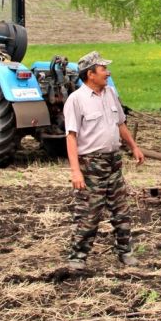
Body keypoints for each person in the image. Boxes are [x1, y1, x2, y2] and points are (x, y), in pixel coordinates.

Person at [63, 51, 145, 271]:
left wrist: (134, 147)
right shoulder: (76, 100)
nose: (107, 73)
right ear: (90, 74)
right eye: (103, 70)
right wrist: (75, 171)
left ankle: (125, 252)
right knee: (90, 212)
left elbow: (120, 124)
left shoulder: (110, 93)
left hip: (113, 161)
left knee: (121, 210)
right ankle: (77, 256)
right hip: (91, 164)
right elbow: (71, 137)